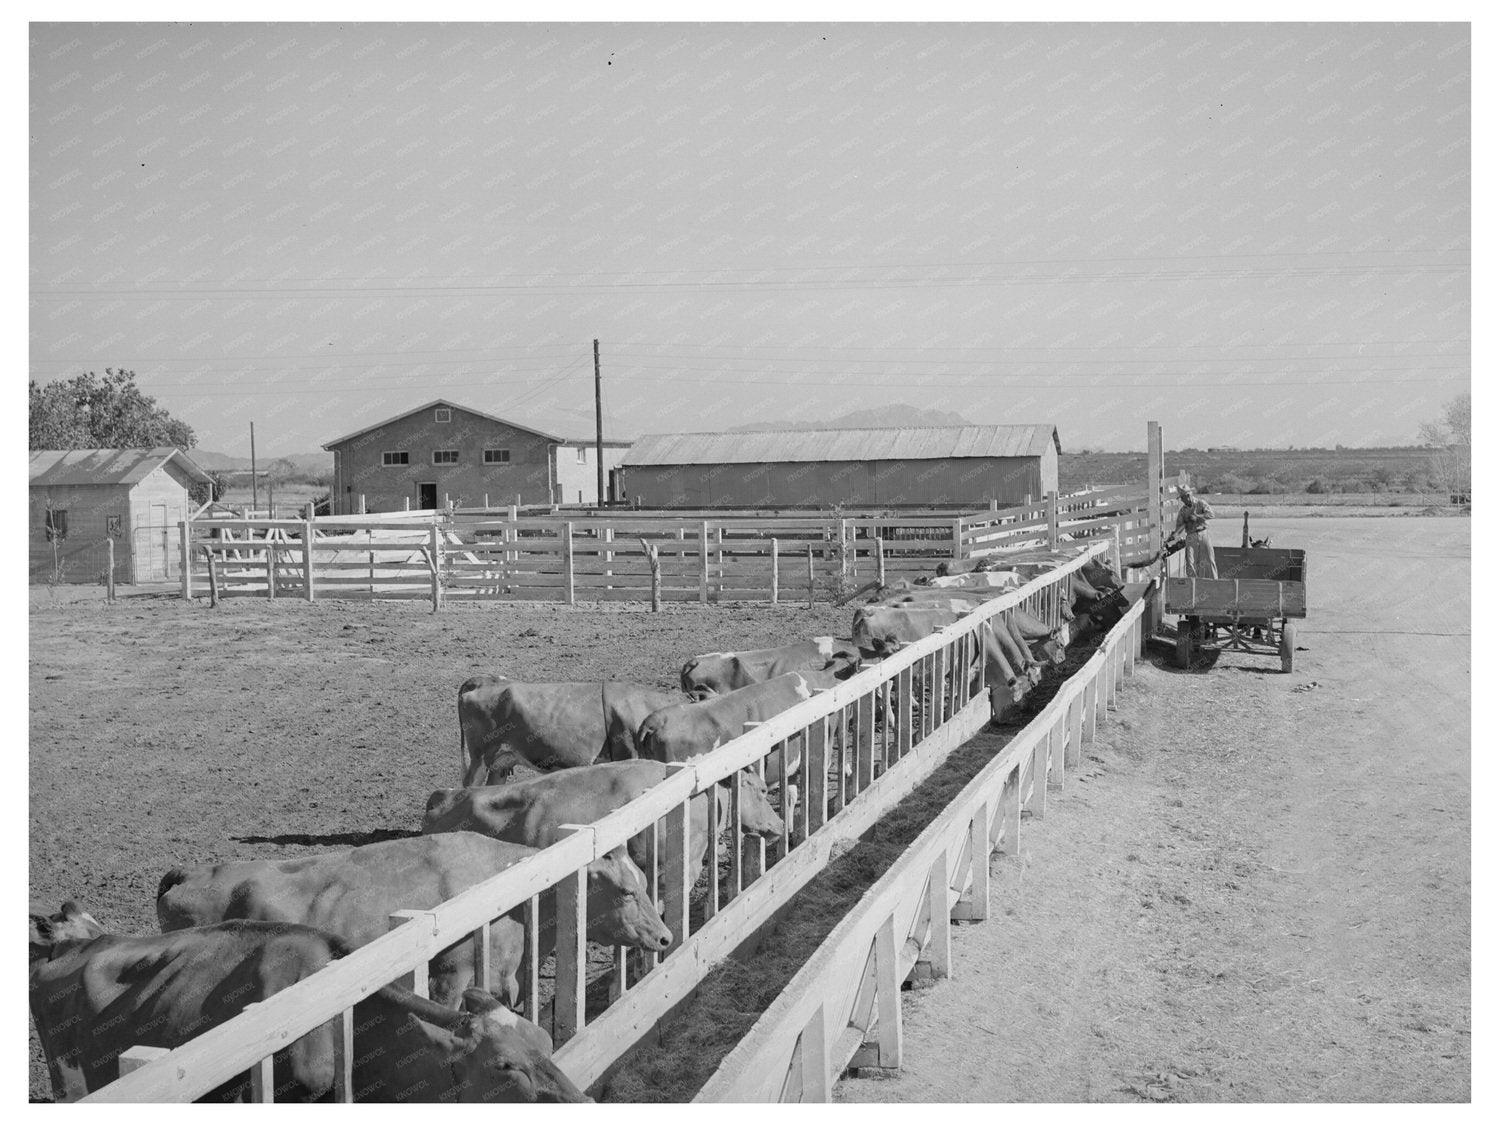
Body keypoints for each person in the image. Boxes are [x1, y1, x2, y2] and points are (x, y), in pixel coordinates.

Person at [1172, 485, 1218, 579]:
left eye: (1182, 498)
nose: (1182, 500)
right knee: (1190, 562)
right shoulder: (1182, 511)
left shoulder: (1201, 503)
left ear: (1188, 496)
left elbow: (1211, 514)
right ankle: (1193, 583)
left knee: (1210, 559)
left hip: (1203, 533)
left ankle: (1215, 582)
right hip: (1191, 536)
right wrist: (1174, 534)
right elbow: (1179, 527)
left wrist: (1197, 517)